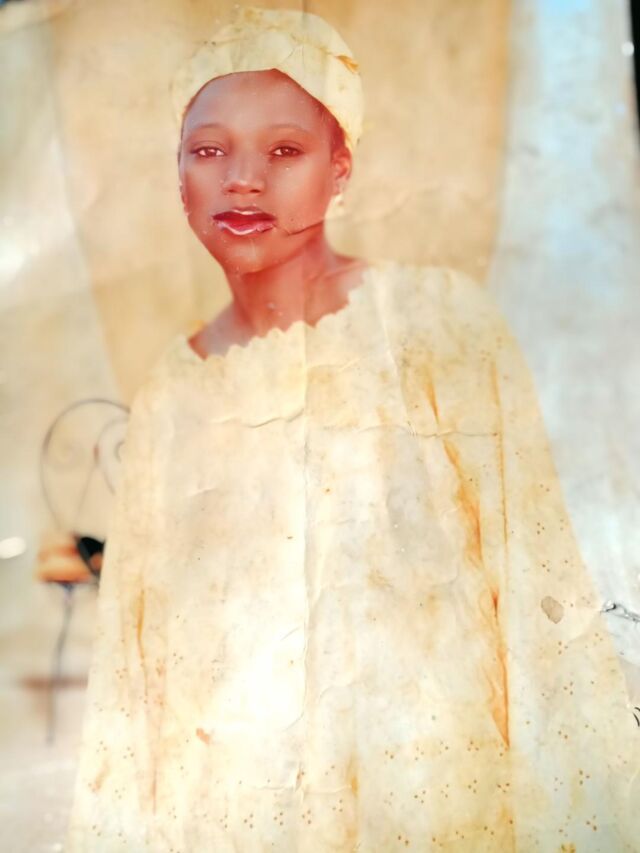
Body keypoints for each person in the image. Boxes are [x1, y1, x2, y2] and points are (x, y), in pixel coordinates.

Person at [66, 8, 640, 851]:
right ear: (177, 173)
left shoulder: (438, 322)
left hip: (434, 801)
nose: (243, 181)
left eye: (285, 150)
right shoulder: (169, 394)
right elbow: (132, 672)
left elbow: (535, 584)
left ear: (341, 168)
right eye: (210, 150)